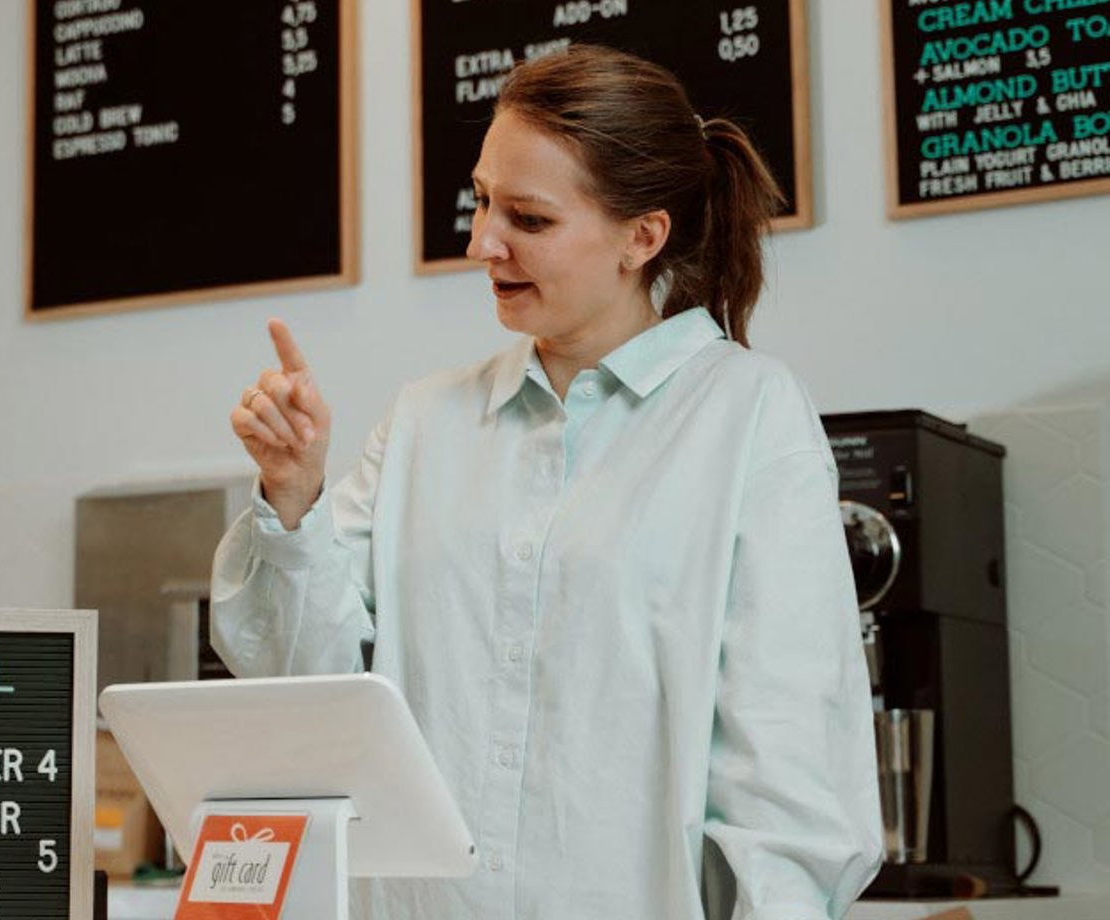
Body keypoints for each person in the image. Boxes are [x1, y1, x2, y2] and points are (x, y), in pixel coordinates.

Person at [212, 46, 882, 920]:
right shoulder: (425, 422)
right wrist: (293, 497)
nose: (482, 242)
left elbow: (792, 771)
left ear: (644, 237)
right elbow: (299, 692)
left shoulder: (747, 416)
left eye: (528, 217)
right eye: (483, 199)